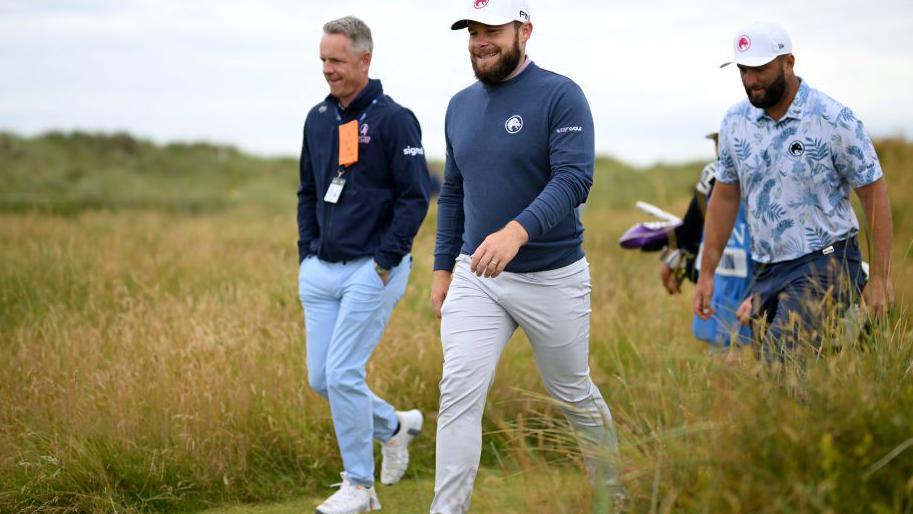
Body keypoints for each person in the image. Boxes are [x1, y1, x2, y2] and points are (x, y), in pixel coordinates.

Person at [430, 1, 622, 512]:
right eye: (472, 31)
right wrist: (443, 268)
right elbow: (453, 192)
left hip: (551, 277)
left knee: (572, 392)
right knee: (458, 392)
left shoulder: (560, 95)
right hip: (477, 275)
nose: (480, 40)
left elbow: (574, 179)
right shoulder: (458, 105)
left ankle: (616, 496)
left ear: (525, 31)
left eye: (491, 29)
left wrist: (517, 232)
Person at [694, 22, 894, 359]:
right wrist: (707, 273)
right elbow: (725, 197)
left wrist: (881, 278)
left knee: (780, 359)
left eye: (760, 69)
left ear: (789, 61)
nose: (750, 80)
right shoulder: (734, 123)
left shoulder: (834, 119)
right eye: (743, 70)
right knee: (787, 383)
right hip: (767, 269)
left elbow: (874, 194)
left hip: (827, 260)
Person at [297, 16, 431, 514]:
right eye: (323, 61)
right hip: (321, 269)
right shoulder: (316, 117)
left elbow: (415, 198)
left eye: (336, 60)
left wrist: (384, 262)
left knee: (343, 372)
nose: (328, 70)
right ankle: (395, 426)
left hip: (372, 269)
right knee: (321, 378)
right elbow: (308, 189)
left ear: (364, 60)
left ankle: (359, 486)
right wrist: (306, 252)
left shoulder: (396, 119)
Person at [658, 133, 753, 348]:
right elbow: (691, 224)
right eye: (718, 143)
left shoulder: (770, 173)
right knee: (721, 346)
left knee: (765, 346)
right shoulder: (711, 176)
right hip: (720, 278)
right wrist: (672, 260)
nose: (721, 149)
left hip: (760, 277)